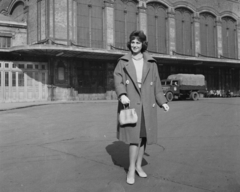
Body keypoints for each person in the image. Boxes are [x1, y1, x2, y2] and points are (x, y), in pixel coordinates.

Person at [114, 30, 169, 185]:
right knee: (134, 138)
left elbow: (157, 85)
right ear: (129, 43)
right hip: (130, 102)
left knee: (144, 137)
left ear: (143, 44)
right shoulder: (123, 61)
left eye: (138, 42)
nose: (135, 45)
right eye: (133, 42)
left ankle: (138, 165)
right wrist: (122, 94)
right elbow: (118, 80)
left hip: (147, 103)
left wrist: (162, 102)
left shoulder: (151, 62)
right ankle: (131, 168)